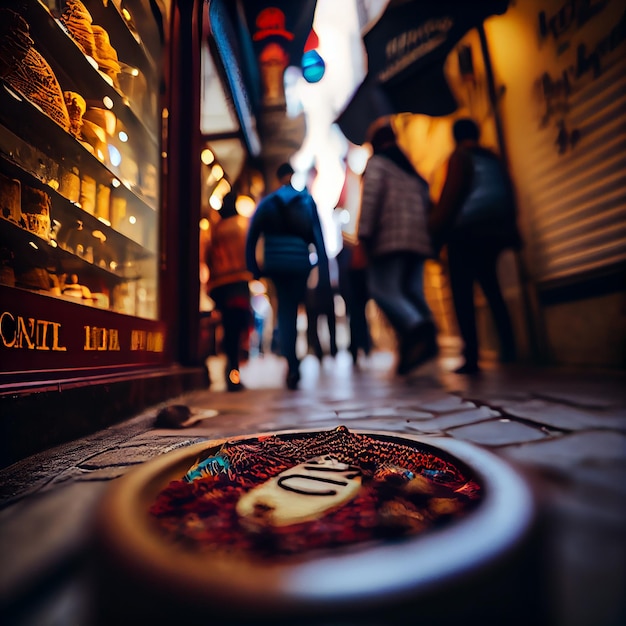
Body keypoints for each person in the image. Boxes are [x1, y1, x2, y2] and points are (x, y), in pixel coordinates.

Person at [428, 118, 521, 374]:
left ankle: (471, 357)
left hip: (466, 234)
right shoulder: (492, 158)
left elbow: (451, 198)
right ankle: (510, 349)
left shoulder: (460, 157)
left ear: (456, 137)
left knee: (463, 295)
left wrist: (434, 234)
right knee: (493, 290)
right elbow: (511, 194)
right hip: (494, 233)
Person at [357, 120, 437, 376]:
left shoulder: (378, 164)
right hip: (417, 241)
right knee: (412, 292)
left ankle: (420, 329)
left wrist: (364, 234)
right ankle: (420, 344)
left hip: (389, 241)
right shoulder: (411, 172)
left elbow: (370, 202)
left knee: (383, 290)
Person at [245, 162, 329, 389]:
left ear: (278, 177)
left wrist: (254, 269)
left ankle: (292, 364)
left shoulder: (268, 202)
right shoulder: (306, 201)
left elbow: (252, 235)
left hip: (276, 265)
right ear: (292, 176)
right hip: (300, 263)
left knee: (285, 310)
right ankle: (293, 363)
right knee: (293, 310)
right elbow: (318, 237)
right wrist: (323, 271)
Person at [205, 191, 253, 391]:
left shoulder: (216, 228)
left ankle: (230, 372)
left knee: (228, 329)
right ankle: (234, 373)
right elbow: (250, 252)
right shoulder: (243, 225)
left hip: (221, 286)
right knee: (239, 330)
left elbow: (208, 255)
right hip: (239, 283)